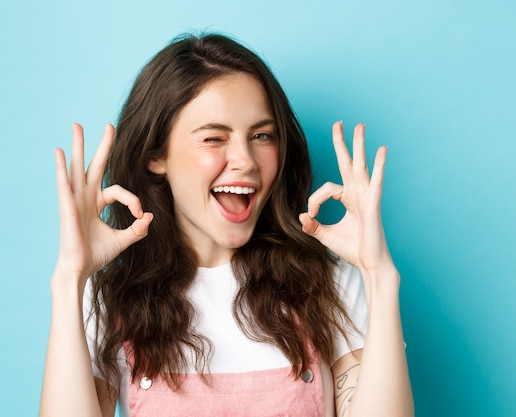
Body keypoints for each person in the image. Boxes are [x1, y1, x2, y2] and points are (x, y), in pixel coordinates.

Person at [39, 33, 414, 417]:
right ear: (156, 155)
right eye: (214, 137)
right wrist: (70, 278)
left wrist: (379, 277)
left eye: (262, 136)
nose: (246, 160)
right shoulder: (109, 300)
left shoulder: (332, 284)